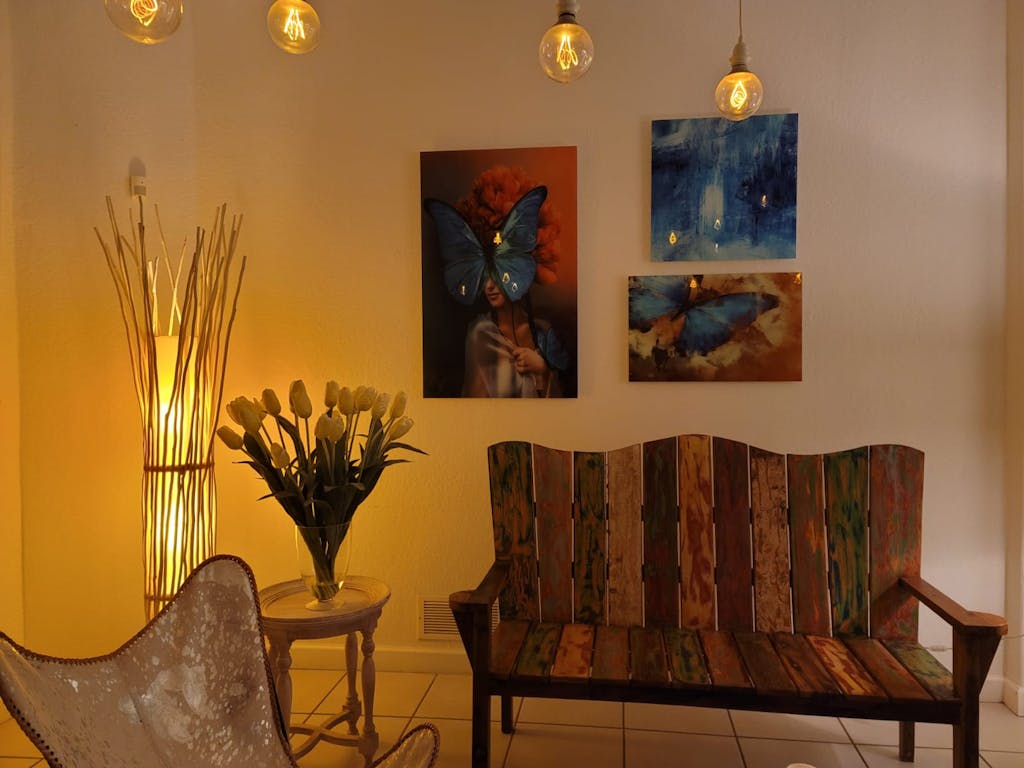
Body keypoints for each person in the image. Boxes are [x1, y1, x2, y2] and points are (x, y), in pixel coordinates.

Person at [462, 275, 562, 398]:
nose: (489, 286)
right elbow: (474, 402)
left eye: (498, 275)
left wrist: (542, 370)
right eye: (485, 277)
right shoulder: (482, 334)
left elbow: (558, 403)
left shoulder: (543, 330)